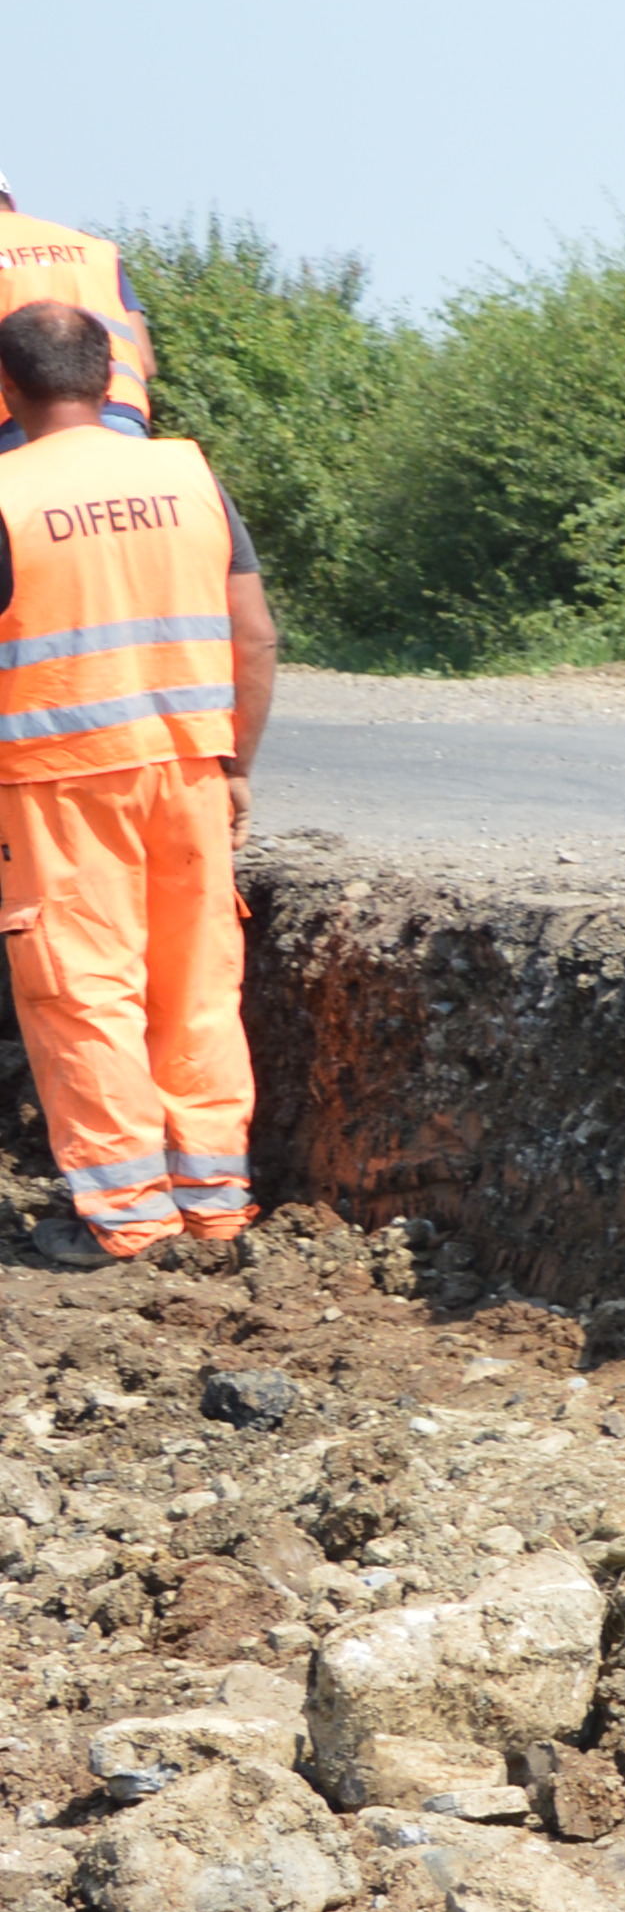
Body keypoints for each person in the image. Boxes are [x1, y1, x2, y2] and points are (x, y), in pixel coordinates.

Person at [0, 298, 270, 1260]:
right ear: (113, 378)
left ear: (7, 388)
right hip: (190, 768)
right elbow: (255, 635)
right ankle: (214, 1206)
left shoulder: (7, 494)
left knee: (86, 993)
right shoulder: (187, 474)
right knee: (196, 987)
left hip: (55, 788)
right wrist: (234, 763)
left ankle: (129, 1223)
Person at [0, 181, 150, 435]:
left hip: (25, 421)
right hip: (122, 413)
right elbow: (145, 360)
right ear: (10, 200)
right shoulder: (95, 249)